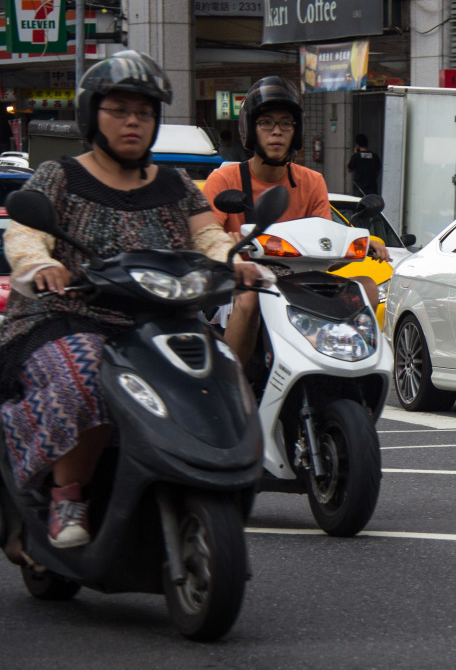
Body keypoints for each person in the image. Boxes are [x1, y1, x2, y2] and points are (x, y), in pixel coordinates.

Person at [0, 50, 269, 550]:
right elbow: (23, 235)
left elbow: (208, 237)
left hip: (160, 319)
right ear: (91, 114)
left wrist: (232, 260)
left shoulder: (175, 184)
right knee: (84, 371)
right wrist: (39, 264)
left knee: (213, 370)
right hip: (68, 316)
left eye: (144, 113)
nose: (132, 122)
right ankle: (68, 495)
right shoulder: (59, 176)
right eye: (120, 110)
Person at [203, 76, 388, 365]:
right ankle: (232, 384)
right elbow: (205, 238)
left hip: (299, 285)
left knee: (365, 285)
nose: (276, 131)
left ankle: (348, 372)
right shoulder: (225, 179)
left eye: (285, 124)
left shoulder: (312, 181)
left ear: (296, 131)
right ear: (250, 130)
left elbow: (325, 246)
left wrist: (363, 244)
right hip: (240, 283)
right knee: (249, 295)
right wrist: (228, 246)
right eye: (266, 123)